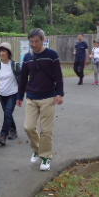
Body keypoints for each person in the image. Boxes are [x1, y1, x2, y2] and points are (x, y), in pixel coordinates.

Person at [17, 28, 64, 171]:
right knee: (28, 127)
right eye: (31, 41)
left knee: (46, 131)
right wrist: (20, 96)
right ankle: (37, 149)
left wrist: (60, 93)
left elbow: (58, 76)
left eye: (36, 41)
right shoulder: (27, 57)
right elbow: (23, 78)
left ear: (43, 40)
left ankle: (46, 157)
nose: (33, 44)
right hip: (31, 97)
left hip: (48, 98)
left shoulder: (52, 55)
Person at [0, 42, 21, 145]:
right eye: (0, 51)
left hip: (12, 93)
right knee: (8, 114)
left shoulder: (15, 65)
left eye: (3, 51)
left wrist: (23, 94)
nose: (1, 53)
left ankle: (3, 135)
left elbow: (22, 80)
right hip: (1, 94)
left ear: (8, 53)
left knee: (7, 113)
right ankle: (13, 131)